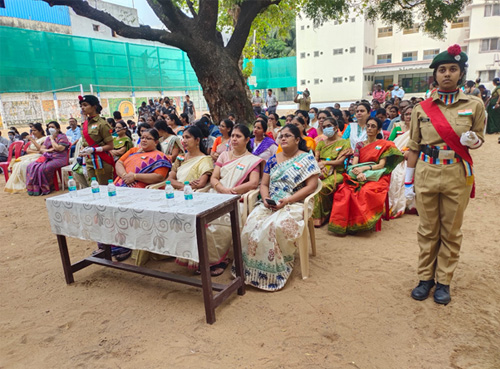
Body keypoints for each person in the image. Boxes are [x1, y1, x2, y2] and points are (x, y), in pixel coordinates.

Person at [405, 45, 486, 304]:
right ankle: (425, 278)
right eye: (442, 70)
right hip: (426, 171)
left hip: (456, 174)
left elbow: (479, 139)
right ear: (435, 75)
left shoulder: (474, 104)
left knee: (451, 230)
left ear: (461, 74)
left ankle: (444, 282)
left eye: (453, 69)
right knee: (428, 229)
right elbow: (414, 146)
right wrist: (408, 182)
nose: (447, 74)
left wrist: (473, 140)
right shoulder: (422, 108)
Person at [236, 124, 320, 291]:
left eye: (287, 136)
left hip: (296, 203)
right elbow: (264, 184)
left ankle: (273, 273)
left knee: (274, 226)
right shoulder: (273, 159)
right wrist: (266, 198)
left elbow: (311, 187)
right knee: (251, 223)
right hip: (272, 202)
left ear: (297, 139)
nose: (283, 138)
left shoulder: (307, 159)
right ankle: (251, 271)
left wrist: (288, 200)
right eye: (281, 136)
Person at [179, 125, 263, 275]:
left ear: (247, 140)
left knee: (220, 220)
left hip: (237, 197)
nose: (234, 139)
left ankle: (217, 260)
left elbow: (253, 183)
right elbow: (214, 177)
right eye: (233, 136)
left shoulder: (252, 160)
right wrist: (222, 189)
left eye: (238, 136)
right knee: (197, 215)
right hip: (217, 192)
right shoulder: (224, 155)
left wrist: (232, 192)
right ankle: (199, 258)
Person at [134, 126, 213, 266]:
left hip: (192, 196)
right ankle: (160, 249)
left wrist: (183, 186)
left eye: (188, 137)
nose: (184, 141)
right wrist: (183, 186)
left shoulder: (205, 159)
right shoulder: (182, 157)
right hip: (175, 192)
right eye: (183, 137)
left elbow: (201, 183)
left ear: (197, 140)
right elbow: (169, 179)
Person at [329, 117, 403, 235]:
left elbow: (381, 165)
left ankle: (362, 223)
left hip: (377, 175)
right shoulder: (360, 145)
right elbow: (355, 163)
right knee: (344, 191)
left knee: (366, 191)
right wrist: (358, 172)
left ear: (379, 130)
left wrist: (365, 170)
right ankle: (346, 224)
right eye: (368, 126)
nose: (369, 128)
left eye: (373, 126)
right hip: (358, 173)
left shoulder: (383, 145)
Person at [312, 118, 352, 227]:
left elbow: (340, 161)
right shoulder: (320, 143)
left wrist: (325, 163)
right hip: (320, 170)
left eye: (328, 126)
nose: (326, 129)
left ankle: (324, 215)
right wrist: (320, 167)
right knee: (310, 184)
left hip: (337, 173)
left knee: (323, 186)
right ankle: (314, 215)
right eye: (323, 127)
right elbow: (315, 159)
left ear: (335, 127)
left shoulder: (344, 142)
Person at [73, 95, 114, 188]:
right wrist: (83, 150)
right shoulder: (84, 123)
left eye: (85, 105)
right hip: (88, 160)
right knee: (93, 187)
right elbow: (84, 142)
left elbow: (110, 146)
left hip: (101, 160)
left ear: (94, 106)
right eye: (81, 106)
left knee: (104, 187)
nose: (82, 108)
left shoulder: (102, 124)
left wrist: (94, 150)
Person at [25, 121, 70, 196]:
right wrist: (49, 150)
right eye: (49, 127)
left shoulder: (62, 137)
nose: (50, 129)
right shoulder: (48, 138)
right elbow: (42, 149)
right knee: (31, 166)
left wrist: (52, 139)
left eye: (52, 127)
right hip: (49, 157)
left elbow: (59, 149)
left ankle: (47, 187)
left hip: (60, 158)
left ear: (58, 128)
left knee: (43, 168)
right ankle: (36, 189)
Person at [388, 105, 416, 218]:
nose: (409, 116)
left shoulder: (420, 130)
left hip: (414, 158)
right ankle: (393, 204)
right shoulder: (397, 128)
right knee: (395, 174)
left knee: (405, 174)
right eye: (407, 114)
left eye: (411, 114)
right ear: (403, 116)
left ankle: (410, 204)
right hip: (398, 158)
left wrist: (410, 153)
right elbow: (389, 144)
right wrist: (399, 154)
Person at [4, 123, 47, 193]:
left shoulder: (45, 138)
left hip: (41, 156)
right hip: (33, 155)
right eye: (32, 130)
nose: (33, 132)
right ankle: (24, 184)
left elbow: (42, 150)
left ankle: (29, 184)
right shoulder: (34, 139)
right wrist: (36, 151)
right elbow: (28, 150)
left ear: (40, 131)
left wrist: (33, 141)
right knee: (16, 164)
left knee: (24, 165)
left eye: (35, 130)